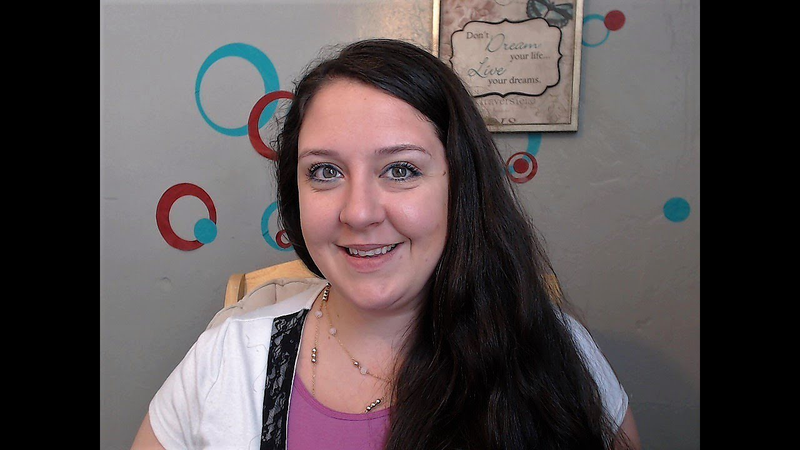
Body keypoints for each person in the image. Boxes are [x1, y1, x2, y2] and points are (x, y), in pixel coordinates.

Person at [131, 38, 642, 450]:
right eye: (325, 172)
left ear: (460, 186)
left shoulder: (556, 351)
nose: (359, 212)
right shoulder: (226, 359)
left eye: (400, 170)